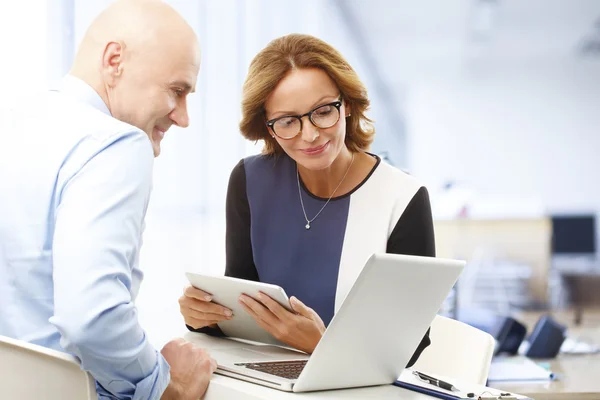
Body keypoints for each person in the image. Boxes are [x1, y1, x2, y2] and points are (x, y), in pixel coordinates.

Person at [0, 1, 216, 399]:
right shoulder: (115, 142)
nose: (184, 117)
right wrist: (165, 385)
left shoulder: (15, 123)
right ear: (115, 60)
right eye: (177, 90)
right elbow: (91, 318)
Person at [179, 33, 434, 365]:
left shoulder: (404, 199)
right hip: (270, 383)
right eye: (287, 121)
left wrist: (321, 344)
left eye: (323, 111)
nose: (310, 134)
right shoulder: (248, 181)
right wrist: (205, 317)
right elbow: (244, 309)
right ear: (268, 128)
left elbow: (410, 344)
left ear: (348, 106)